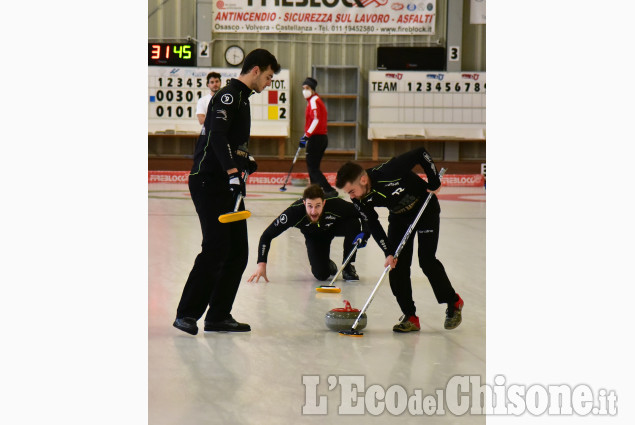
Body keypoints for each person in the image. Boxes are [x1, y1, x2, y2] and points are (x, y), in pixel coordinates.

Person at [173, 49, 281, 335]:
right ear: (255, 70)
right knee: (216, 247)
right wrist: (233, 171)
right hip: (210, 181)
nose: (269, 82)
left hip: (228, 185)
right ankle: (186, 314)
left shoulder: (243, 100)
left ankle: (218, 316)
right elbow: (217, 137)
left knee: (237, 252)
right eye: (269, 76)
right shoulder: (229, 96)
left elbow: (232, 143)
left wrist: (245, 161)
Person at [335, 147, 464, 333]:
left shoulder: (390, 170)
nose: (351, 196)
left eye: (352, 191)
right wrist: (388, 251)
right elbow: (373, 224)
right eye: (348, 193)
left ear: (363, 179)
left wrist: (433, 179)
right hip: (399, 218)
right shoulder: (359, 200)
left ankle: (453, 302)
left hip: (425, 211)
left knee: (427, 261)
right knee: (396, 267)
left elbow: (421, 152)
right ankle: (410, 316)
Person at [247, 184, 368, 284]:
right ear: (304, 203)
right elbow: (266, 236)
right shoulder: (294, 212)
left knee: (353, 223)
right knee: (321, 275)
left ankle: (347, 266)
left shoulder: (335, 204)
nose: (313, 211)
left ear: (324, 203)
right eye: (310, 206)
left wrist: (365, 234)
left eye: (318, 206)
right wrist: (261, 264)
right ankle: (328, 265)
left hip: (334, 228)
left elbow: (363, 212)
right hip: (314, 237)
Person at [299, 77, 337, 197]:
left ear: (313, 90)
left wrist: (306, 136)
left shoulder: (314, 100)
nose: (305, 90)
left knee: (313, 168)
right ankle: (315, 191)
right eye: (303, 88)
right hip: (318, 138)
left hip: (316, 138)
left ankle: (329, 190)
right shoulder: (313, 101)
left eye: (307, 88)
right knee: (313, 167)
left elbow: (316, 119)